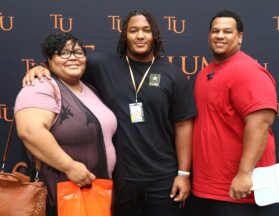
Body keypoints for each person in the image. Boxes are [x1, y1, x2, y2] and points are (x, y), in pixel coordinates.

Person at [23, 10, 196, 216]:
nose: (140, 35)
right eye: (133, 30)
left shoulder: (173, 74)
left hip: (163, 177)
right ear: (125, 35)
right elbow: (68, 66)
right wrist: (40, 69)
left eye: (146, 30)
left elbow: (183, 124)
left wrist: (183, 174)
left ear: (154, 35)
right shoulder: (102, 65)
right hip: (117, 178)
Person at [15, 32, 117, 215]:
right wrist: (69, 167)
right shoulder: (41, 86)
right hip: (60, 196)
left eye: (78, 52)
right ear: (50, 60)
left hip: (93, 194)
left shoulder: (90, 89)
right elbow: (30, 131)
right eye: (63, 53)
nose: (72, 57)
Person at [190, 10, 277, 216]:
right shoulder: (204, 73)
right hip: (208, 188)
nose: (220, 35)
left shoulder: (248, 71)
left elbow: (261, 123)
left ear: (240, 37)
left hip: (239, 191)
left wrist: (245, 174)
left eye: (227, 31)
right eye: (215, 31)